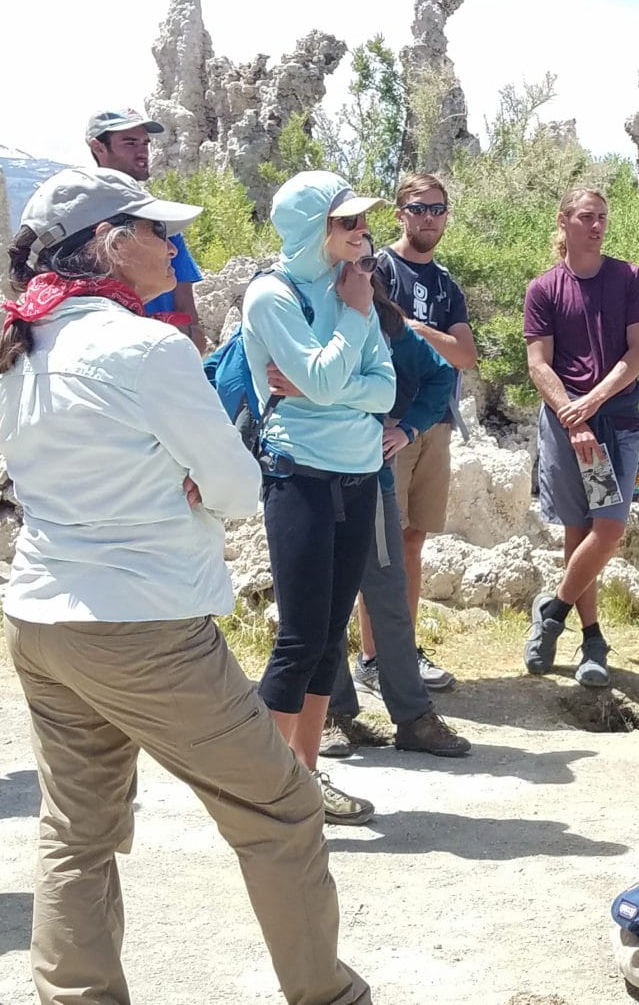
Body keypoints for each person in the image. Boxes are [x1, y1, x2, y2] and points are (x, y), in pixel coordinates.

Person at [0, 165, 372, 1005]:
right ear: (111, 244)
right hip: (145, 625)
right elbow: (237, 485)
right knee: (281, 809)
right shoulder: (148, 347)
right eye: (158, 231)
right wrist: (189, 478)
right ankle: (329, 995)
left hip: (41, 617)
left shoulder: (25, 344)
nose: (174, 245)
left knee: (76, 834)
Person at [242, 170, 396, 825]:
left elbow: (383, 389)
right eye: (347, 223)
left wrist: (333, 383)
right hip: (299, 476)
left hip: (358, 477)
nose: (362, 233)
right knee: (299, 639)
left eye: (362, 222)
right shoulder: (271, 297)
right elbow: (326, 376)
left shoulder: (349, 286)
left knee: (330, 638)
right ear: (313, 229)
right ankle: (263, 791)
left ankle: (303, 781)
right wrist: (353, 327)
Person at [316, 263, 471, 759]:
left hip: (370, 476)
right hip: (307, 476)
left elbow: (440, 372)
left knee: (388, 593)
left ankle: (413, 716)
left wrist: (407, 429)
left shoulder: (389, 324)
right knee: (321, 602)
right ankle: (332, 716)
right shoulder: (296, 308)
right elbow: (232, 370)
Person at [521, 186, 639, 687]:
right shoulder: (544, 289)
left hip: (614, 423)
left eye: (602, 217)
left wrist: (594, 403)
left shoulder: (629, 279)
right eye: (586, 217)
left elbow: (638, 351)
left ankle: (552, 612)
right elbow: (539, 364)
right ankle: (592, 639)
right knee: (579, 531)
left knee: (608, 528)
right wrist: (572, 419)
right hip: (566, 423)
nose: (596, 225)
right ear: (564, 221)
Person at [368, 172, 474, 693]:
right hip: (388, 424)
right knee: (381, 545)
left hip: (434, 423)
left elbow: (465, 356)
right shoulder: (380, 268)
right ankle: (372, 658)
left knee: (412, 542)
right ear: (399, 212)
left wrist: (416, 328)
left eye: (438, 209)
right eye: (419, 208)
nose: (429, 218)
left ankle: (403, 650)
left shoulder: (445, 283)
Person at [86, 108, 206, 352]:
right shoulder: (79, 226)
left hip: (165, 357)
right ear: (98, 148)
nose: (141, 151)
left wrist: (184, 344)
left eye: (145, 143)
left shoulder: (161, 221)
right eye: (130, 143)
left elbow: (188, 311)